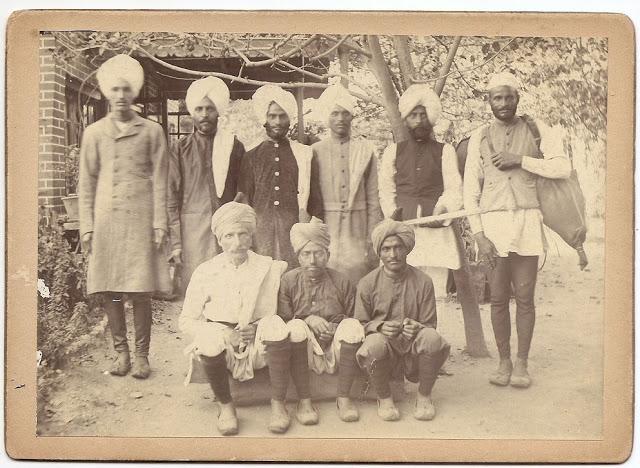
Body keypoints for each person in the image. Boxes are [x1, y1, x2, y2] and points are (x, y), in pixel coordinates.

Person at [463, 71, 571, 388]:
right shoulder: (479, 137)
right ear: (489, 101)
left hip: (527, 223)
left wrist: (521, 160)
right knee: (497, 298)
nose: (504, 103)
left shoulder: (537, 129)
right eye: (497, 97)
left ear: (517, 98)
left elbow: (562, 168)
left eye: (509, 96)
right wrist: (478, 234)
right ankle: (504, 362)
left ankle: (522, 364)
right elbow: (471, 189)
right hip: (494, 226)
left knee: (525, 297)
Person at [78, 54, 169, 380]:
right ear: (106, 92)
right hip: (106, 222)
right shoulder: (94, 134)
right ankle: (122, 354)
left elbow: (161, 180)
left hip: (140, 220)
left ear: (134, 93)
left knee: (141, 289)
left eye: (126, 89)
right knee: (111, 288)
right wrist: (87, 227)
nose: (120, 95)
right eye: (114, 89)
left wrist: (160, 223)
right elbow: (86, 182)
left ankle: (143, 356)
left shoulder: (152, 132)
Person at [178, 197, 290, 436]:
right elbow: (186, 320)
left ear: (251, 237)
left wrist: (258, 327)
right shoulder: (206, 271)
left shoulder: (269, 267)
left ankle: (278, 404)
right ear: (219, 240)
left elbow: (283, 313)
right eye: (229, 236)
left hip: (259, 347)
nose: (237, 243)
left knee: (275, 324)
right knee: (208, 338)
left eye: (243, 234)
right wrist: (222, 332)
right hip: (225, 349)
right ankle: (226, 406)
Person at [354, 217, 451, 421]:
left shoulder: (423, 281)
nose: (393, 254)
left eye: (398, 247)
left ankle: (424, 396)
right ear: (379, 252)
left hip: (412, 347)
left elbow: (430, 325)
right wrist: (379, 327)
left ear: (407, 249)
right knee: (372, 343)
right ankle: (385, 398)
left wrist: (417, 327)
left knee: (432, 339)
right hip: (385, 351)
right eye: (386, 249)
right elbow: (360, 324)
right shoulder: (367, 283)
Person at [277, 218, 365, 423]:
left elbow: (356, 317)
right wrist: (308, 320)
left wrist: (335, 327)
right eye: (306, 254)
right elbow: (282, 319)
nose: (312, 260)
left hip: (336, 351)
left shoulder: (341, 281)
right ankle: (304, 401)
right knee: (295, 327)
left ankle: (343, 398)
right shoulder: (288, 281)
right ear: (298, 257)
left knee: (351, 327)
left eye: (318, 253)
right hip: (304, 351)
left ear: (328, 255)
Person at [378, 84, 463, 291]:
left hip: (436, 235)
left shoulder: (446, 151)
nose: (418, 121)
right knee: (403, 292)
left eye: (423, 115)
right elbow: (386, 189)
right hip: (403, 234)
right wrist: (393, 216)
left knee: (435, 293)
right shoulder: (393, 151)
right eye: (413, 115)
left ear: (431, 118)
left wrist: (443, 210)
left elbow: (454, 188)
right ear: (406, 119)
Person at [167, 76, 245, 295]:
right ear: (192, 112)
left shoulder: (234, 147)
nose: (204, 114)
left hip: (227, 235)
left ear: (218, 110)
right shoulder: (180, 149)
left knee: (228, 294)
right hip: (192, 236)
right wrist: (176, 243)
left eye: (209, 108)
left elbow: (244, 192)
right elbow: (170, 198)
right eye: (199, 108)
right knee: (196, 297)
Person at [239, 84, 323, 268]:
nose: (277, 121)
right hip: (261, 232)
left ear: (289, 119)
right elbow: (245, 199)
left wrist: (310, 230)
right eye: (272, 116)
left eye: (282, 115)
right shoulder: (251, 155)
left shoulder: (304, 154)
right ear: (265, 119)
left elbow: (316, 200)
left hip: (294, 229)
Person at [311, 84, 383, 283]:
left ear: (352, 116)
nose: (340, 118)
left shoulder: (365, 150)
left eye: (345, 113)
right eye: (335, 113)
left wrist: (372, 235)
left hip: (358, 225)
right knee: (329, 275)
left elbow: (373, 197)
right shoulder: (315, 151)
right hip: (328, 224)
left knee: (358, 275)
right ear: (327, 117)